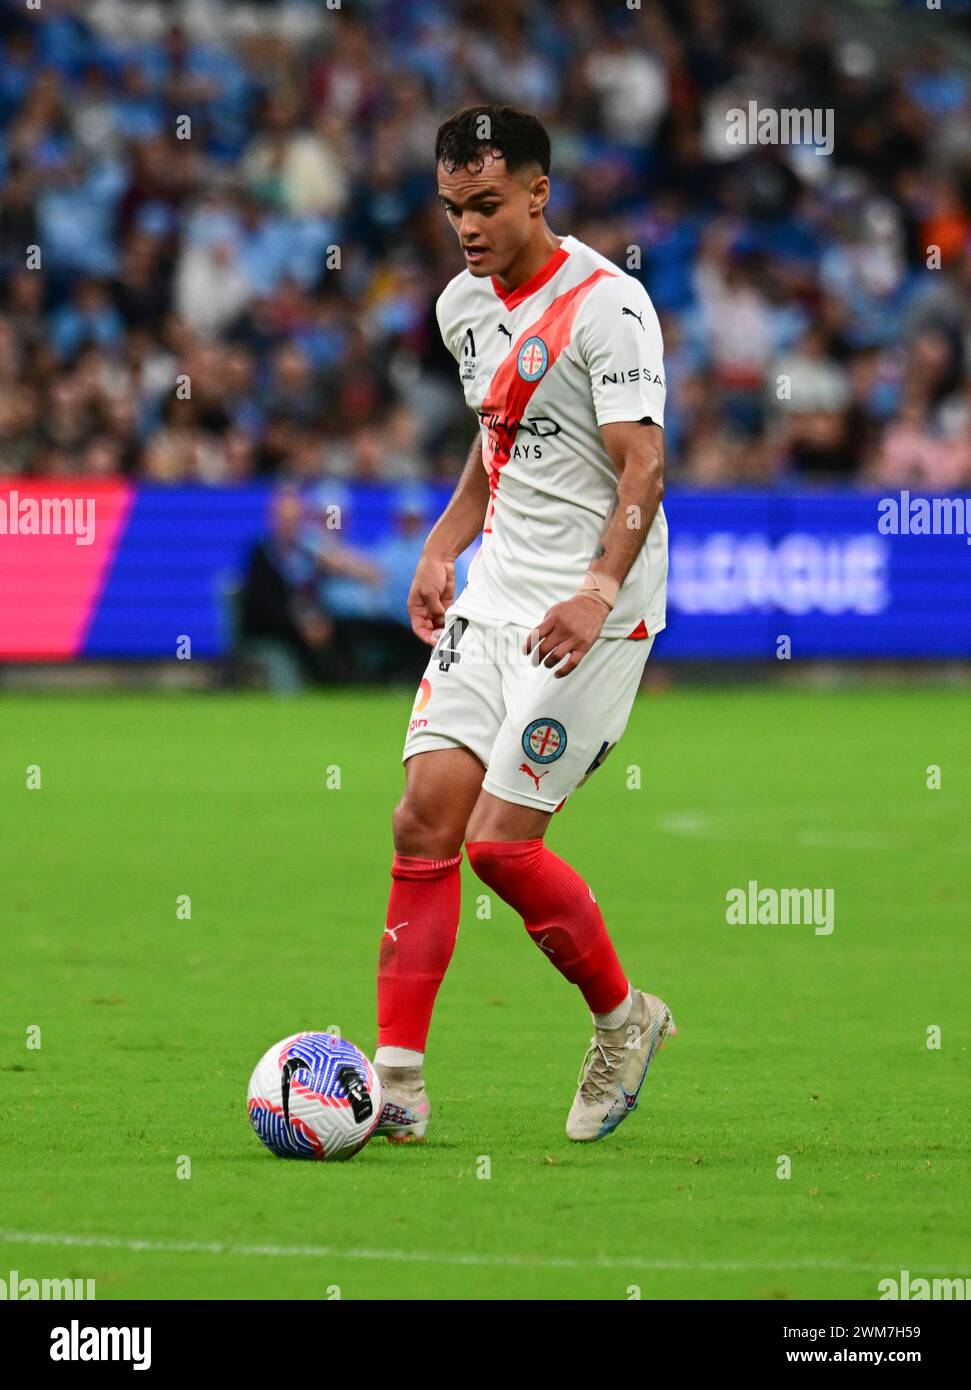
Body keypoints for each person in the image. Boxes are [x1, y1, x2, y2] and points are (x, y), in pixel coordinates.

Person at [373, 104, 675, 1146]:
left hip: (592, 608)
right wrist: (442, 540)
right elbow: (492, 434)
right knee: (423, 818)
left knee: (500, 848)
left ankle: (624, 1019)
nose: (466, 225)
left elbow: (643, 461)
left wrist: (595, 589)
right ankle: (396, 1086)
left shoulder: (607, 305)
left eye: (487, 204)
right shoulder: (462, 305)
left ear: (538, 193)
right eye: (453, 205)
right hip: (497, 591)